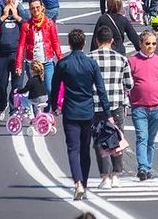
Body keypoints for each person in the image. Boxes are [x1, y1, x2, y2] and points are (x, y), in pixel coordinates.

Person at [50, 30, 113, 201]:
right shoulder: (91, 64)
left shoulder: (63, 64)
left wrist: (54, 106)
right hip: (87, 112)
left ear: (69, 44)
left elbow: (55, 88)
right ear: (83, 43)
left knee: (72, 148)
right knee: (85, 150)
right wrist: (107, 113)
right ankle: (83, 185)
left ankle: (77, 182)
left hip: (70, 111)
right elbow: (101, 90)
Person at [88, 27, 134, 189]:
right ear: (112, 41)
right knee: (116, 138)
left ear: (96, 41)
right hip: (116, 104)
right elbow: (130, 84)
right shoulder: (121, 59)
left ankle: (105, 176)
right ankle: (116, 174)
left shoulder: (90, 58)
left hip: (95, 105)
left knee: (99, 140)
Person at [129, 30, 158, 181]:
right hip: (138, 106)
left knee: (151, 139)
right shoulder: (132, 61)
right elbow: (126, 82)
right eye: (147, 43)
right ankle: (142, 167)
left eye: (153, 44)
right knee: (142, 136)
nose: (150, 46)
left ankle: (148, 167)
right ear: (141, 44)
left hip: (156, 106)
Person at [0, 0, 28, 121]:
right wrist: (3, 16)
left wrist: (16, 16)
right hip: (1, 54)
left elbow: (28, 25)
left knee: (17, 85)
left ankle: (14, 110)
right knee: (1, 84)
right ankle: (2, 105)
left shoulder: (20, 9)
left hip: (17, 53)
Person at [14, 0, 62, 95]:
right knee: (36, 91)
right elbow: (21, 46)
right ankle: (38, 110)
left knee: (49, 89)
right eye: (32, 8)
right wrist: (18, 65)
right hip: (32, 64)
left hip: (47, 62)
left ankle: (49, 110)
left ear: (42, 8)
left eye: (37, 7)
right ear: (30, 10)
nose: (35, 10)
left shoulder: (49, 23)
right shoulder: (26, 26)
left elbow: (55, 42)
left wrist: (60, 59)